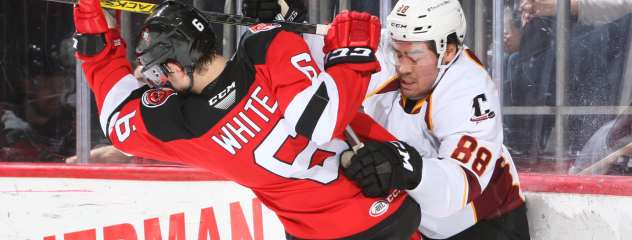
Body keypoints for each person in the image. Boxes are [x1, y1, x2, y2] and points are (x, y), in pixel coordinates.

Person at [73, 0, 422, 239]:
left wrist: (97, 42)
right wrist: (352, 53)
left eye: (158, 73)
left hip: (318, 234)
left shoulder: (180, 125)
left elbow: (117, 116)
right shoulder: (263, 45)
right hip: (386, 215)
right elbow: (322, 118)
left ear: (176, 67)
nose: (159, 82)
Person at [244, 0, 530, 239]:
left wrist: (403, 165)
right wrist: (285, 24)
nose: (402, 66)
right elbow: (316, 61)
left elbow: (456, 191)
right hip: (415, 221)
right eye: (397, 52)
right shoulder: (403, 54)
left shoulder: (468, 89)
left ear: (449, 51)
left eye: (414, 57)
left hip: (481, 226)